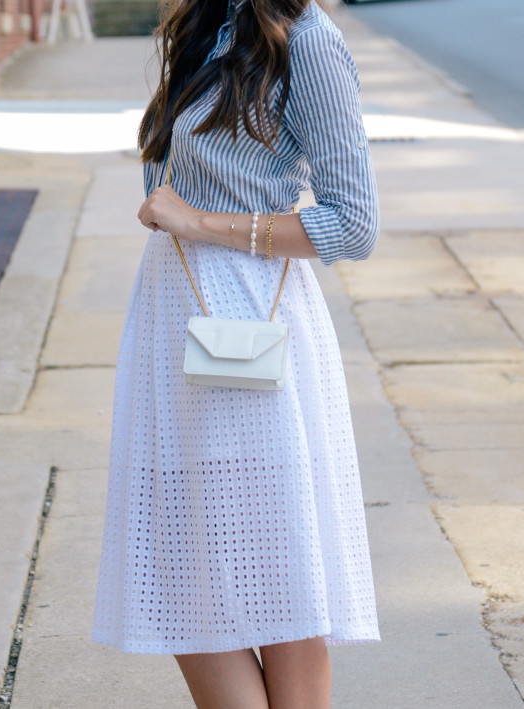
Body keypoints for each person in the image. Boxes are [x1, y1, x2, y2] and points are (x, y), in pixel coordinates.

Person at [92, 0, 380, 706]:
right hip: (173, 311)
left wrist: (197, 222)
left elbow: (353, 223)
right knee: (184, 574)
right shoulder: (202, 26)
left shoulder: (308, 42)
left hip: (251, 314)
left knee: (276, 573)